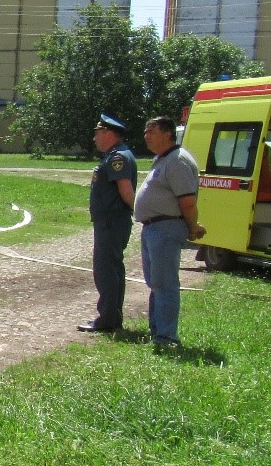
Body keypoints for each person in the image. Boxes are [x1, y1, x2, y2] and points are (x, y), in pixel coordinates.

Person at [134, 115, 206, 347]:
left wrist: (193, 227)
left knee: (165, 284)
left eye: (151, 131)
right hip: (154, 228)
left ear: (167, 134)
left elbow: (187, 202)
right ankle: (158, 332)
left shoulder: (178, 161)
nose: (146, 136)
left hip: (166, 228)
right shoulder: (163, 159)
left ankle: (167, 337)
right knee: (156, 283)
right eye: (145, 131)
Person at [80, 114, 137, 333]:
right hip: (111, 221)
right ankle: (112, 317)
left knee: (106, 270)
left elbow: (126, 191)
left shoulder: (117, 158)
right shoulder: (116, 155)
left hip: (112, 221)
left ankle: (107, 320)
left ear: (108, 134)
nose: (95, 138)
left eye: (97, 133)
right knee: (112, 269)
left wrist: (136, 211)